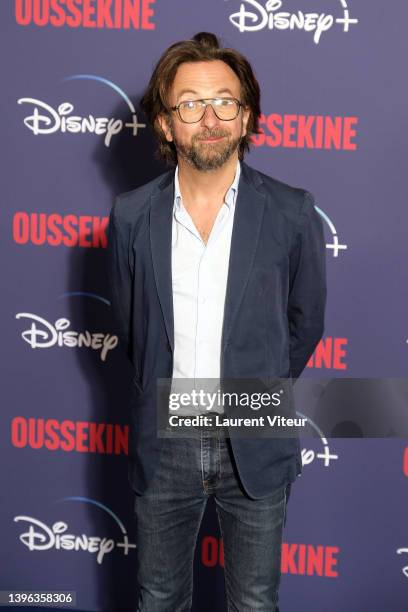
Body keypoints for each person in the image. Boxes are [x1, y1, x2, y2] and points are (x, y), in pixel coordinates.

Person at [107, 31, 326, 612]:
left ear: (247, 115)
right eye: (190, 103)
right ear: (164, 122)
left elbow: (303, 326)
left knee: (255, 601)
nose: (210, 117)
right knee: (159, 598)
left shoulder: (292, 211)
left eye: (225, 101)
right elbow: (133, 332)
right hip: (166, 435)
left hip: (255, 434)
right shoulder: (130, 216)